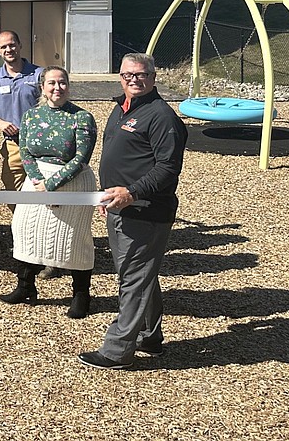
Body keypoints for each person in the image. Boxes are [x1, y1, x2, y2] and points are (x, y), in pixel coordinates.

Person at [79, 53, 188, 370]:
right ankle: (149, 337)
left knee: (133, 280)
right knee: (139, 275)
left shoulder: (161, 117)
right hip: (119, 207)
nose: (134, 80)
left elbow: (168, 168)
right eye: (128, 75)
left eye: (140, 75)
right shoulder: (121, 108)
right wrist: (108, 194)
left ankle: (116, 351)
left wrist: (131, 192)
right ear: (120, 77)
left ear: (153, 77)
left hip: (144, 211)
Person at [0, 67, 97, 318]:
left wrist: (52, 186)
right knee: (25, 231)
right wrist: (38, 182)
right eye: (51, 83)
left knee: (75, 240)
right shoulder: (31, 116)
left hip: (71, 183)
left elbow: (82, 158)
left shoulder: (82, 117)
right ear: (42, 86)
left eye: (62, 83)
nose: (57, 88)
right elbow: (26, 152)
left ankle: (81, 295)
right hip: (36, 183)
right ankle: (25, 286)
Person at [0, 30, 43, 196]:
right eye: (3, 47)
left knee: (42, 186)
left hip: (39, 142)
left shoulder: (39, 74)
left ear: (20, 45)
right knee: (12, 186)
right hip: (12, 144)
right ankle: (21, 220)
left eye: (12, 45)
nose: (9, 49)